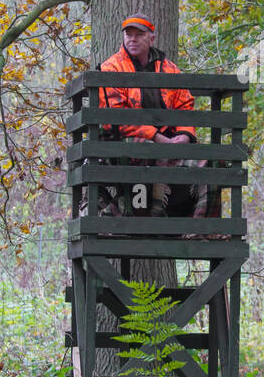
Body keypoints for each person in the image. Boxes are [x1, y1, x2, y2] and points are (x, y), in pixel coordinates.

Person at [90, 14, 216, 224]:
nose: (132, 39)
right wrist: (157, 138)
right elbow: (117, 118)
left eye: (139, 35)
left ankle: (200, 228)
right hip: (124, 142)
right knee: (146, 149)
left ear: (151, 38)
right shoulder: (111, 68)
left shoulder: (170, 69)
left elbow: (185, 105)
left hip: (167, 143)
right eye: (128, 34)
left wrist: (184, 135)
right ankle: (135, 212)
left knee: (209, 163)